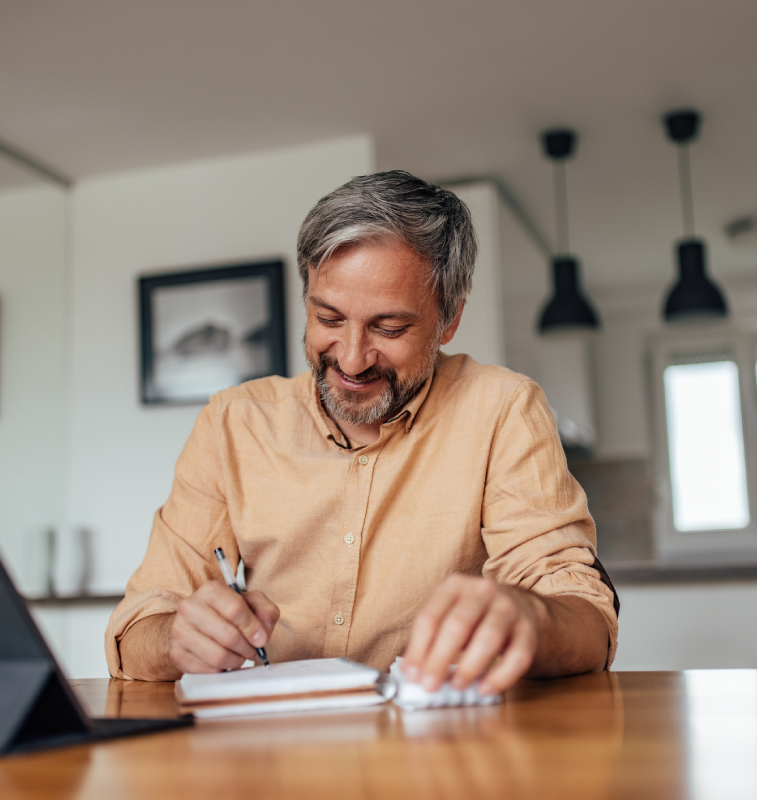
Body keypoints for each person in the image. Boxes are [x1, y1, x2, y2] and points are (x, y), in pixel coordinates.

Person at [105, 170, 617, 696]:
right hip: (273, 759)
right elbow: (136, 631)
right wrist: (177, 639)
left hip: (436, 756)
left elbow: (588, 622)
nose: (351, 358)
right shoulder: (232, 423)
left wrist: (530, 618)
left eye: (389, 328)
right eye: (328, 318)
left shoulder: (502, 409)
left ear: (450, 320)